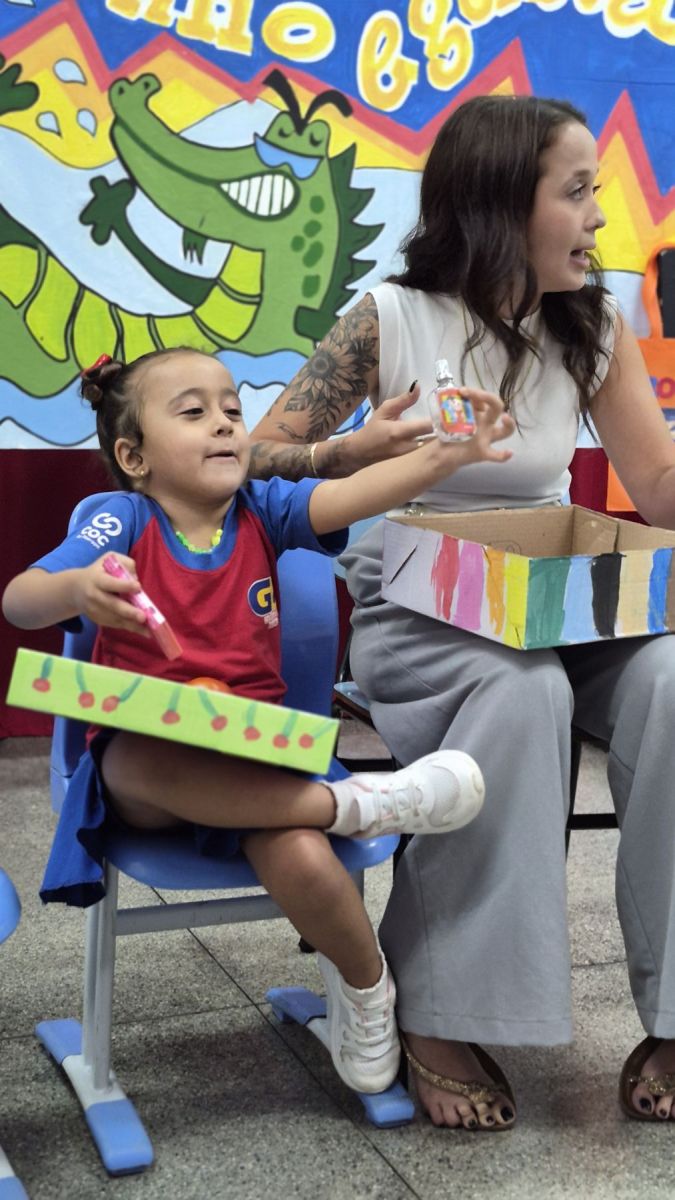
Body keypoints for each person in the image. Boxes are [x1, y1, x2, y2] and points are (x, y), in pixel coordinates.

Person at [249, 93, 675, 1130]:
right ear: (500, 202)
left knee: (673, 680)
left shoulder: (590, 326)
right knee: (521, 695)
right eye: (576, 192)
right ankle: (439, 1009)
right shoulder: (390, 318)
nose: (598, 215)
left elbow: (658, 488)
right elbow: (254, 464)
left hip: (558, 598)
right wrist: (358, 450)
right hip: (421, 599)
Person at [1, 346, 512, 1098]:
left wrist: (446, 457)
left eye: (232, 409)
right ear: (134, 456)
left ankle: (367, 989)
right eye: (193, 412)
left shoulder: (263, 510)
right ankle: (356, 804)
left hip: (256, 760)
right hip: (153, 772)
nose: (223, 424)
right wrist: (78, 588)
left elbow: (352, 495)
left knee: (303, 856)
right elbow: (20, 599)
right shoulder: (123, 518)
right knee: (134, 759)